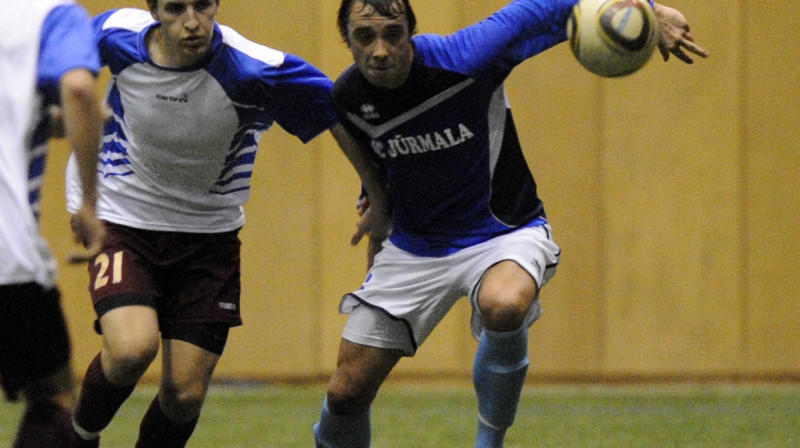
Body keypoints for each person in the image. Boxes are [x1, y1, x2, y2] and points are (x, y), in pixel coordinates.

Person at [313, 0, 709, 447]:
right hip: (415, 247)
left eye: (393, 33)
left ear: (412, 32)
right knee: (346, 393)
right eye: (365, 37)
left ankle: (490, 439)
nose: (381, 50)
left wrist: (652, 10)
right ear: (346, 40)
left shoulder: (468, 56)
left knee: (504, 304)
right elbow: (377, 161)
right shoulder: (347, 98)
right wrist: (376, 204)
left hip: (502, 232)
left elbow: (543, 8)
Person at [64, 1, 357, 447]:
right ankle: (76, 437)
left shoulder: (254, 69)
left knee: (183, 394)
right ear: (153, 9)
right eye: (176, 8)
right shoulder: (117, 33)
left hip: (208, 240)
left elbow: (335, 108)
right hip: (124, 221)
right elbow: (67, 77)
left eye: (202, 5)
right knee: (131, 350)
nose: (192, 21)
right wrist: (80, 199)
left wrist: (377, 191)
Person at [0, 1, 106, 447]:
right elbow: (79, 88)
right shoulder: (49, 16)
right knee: (53, 395)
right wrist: (90, 200)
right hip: (6, 258)